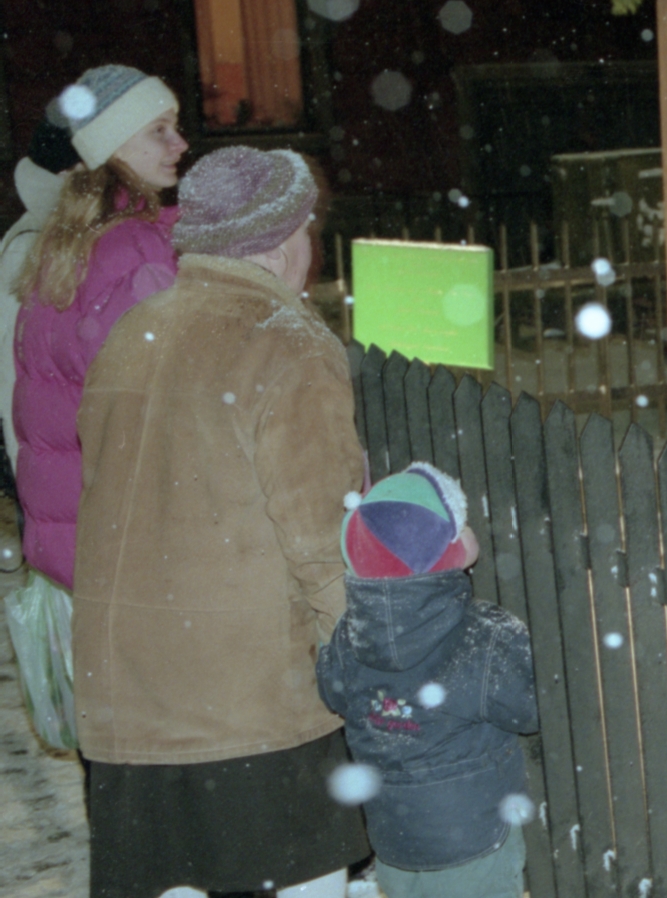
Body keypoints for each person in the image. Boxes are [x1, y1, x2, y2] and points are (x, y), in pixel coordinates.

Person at [74, 146, 368, 898]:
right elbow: (324, 545)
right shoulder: (287, 343)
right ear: (282, 241)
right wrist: (368, 671)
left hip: (129, 706)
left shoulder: (133, 333)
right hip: (251, 712)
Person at [317, 462, 537, 898]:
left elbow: (332, 689)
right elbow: (530, 708)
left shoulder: (350, 634)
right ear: (446, 549)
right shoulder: (484, 634)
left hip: (394, 839)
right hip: (473, 840)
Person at [12, 64, 187, 592]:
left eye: (176, 126)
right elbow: (169, 397)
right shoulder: (134, 248)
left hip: (82, 528)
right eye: (158, 130)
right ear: (113, 143)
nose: (179, 143)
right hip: (133, 534)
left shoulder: (67, 242)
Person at [1, 105, 80, 493]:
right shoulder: (32, 247)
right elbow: (15, 378)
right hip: (58, 479)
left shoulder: (77, 239)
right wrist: (35, 484)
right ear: (70, 172)